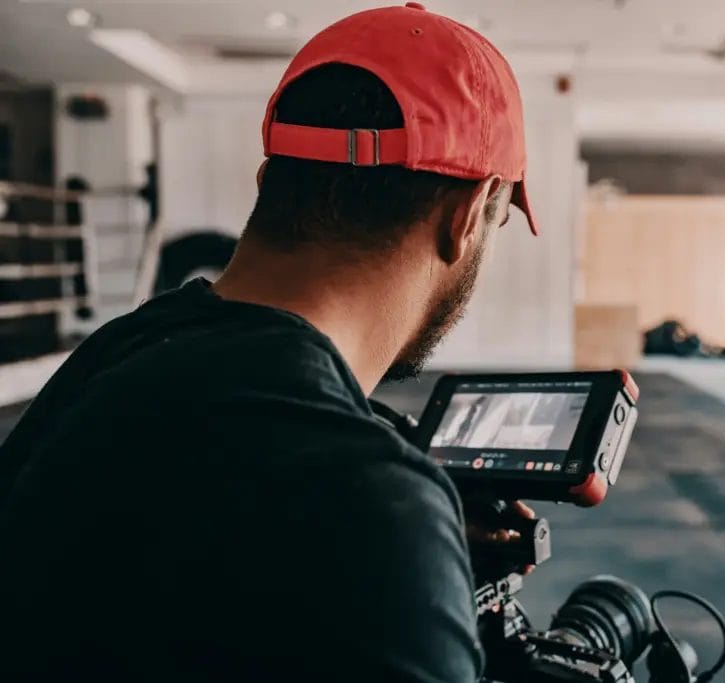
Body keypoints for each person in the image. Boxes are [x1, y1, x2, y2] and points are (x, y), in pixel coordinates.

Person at [0, 4, 537, 681]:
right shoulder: (370, 499)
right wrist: (405, 553)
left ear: (268, 182)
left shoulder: (114, 356)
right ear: (465, 220)